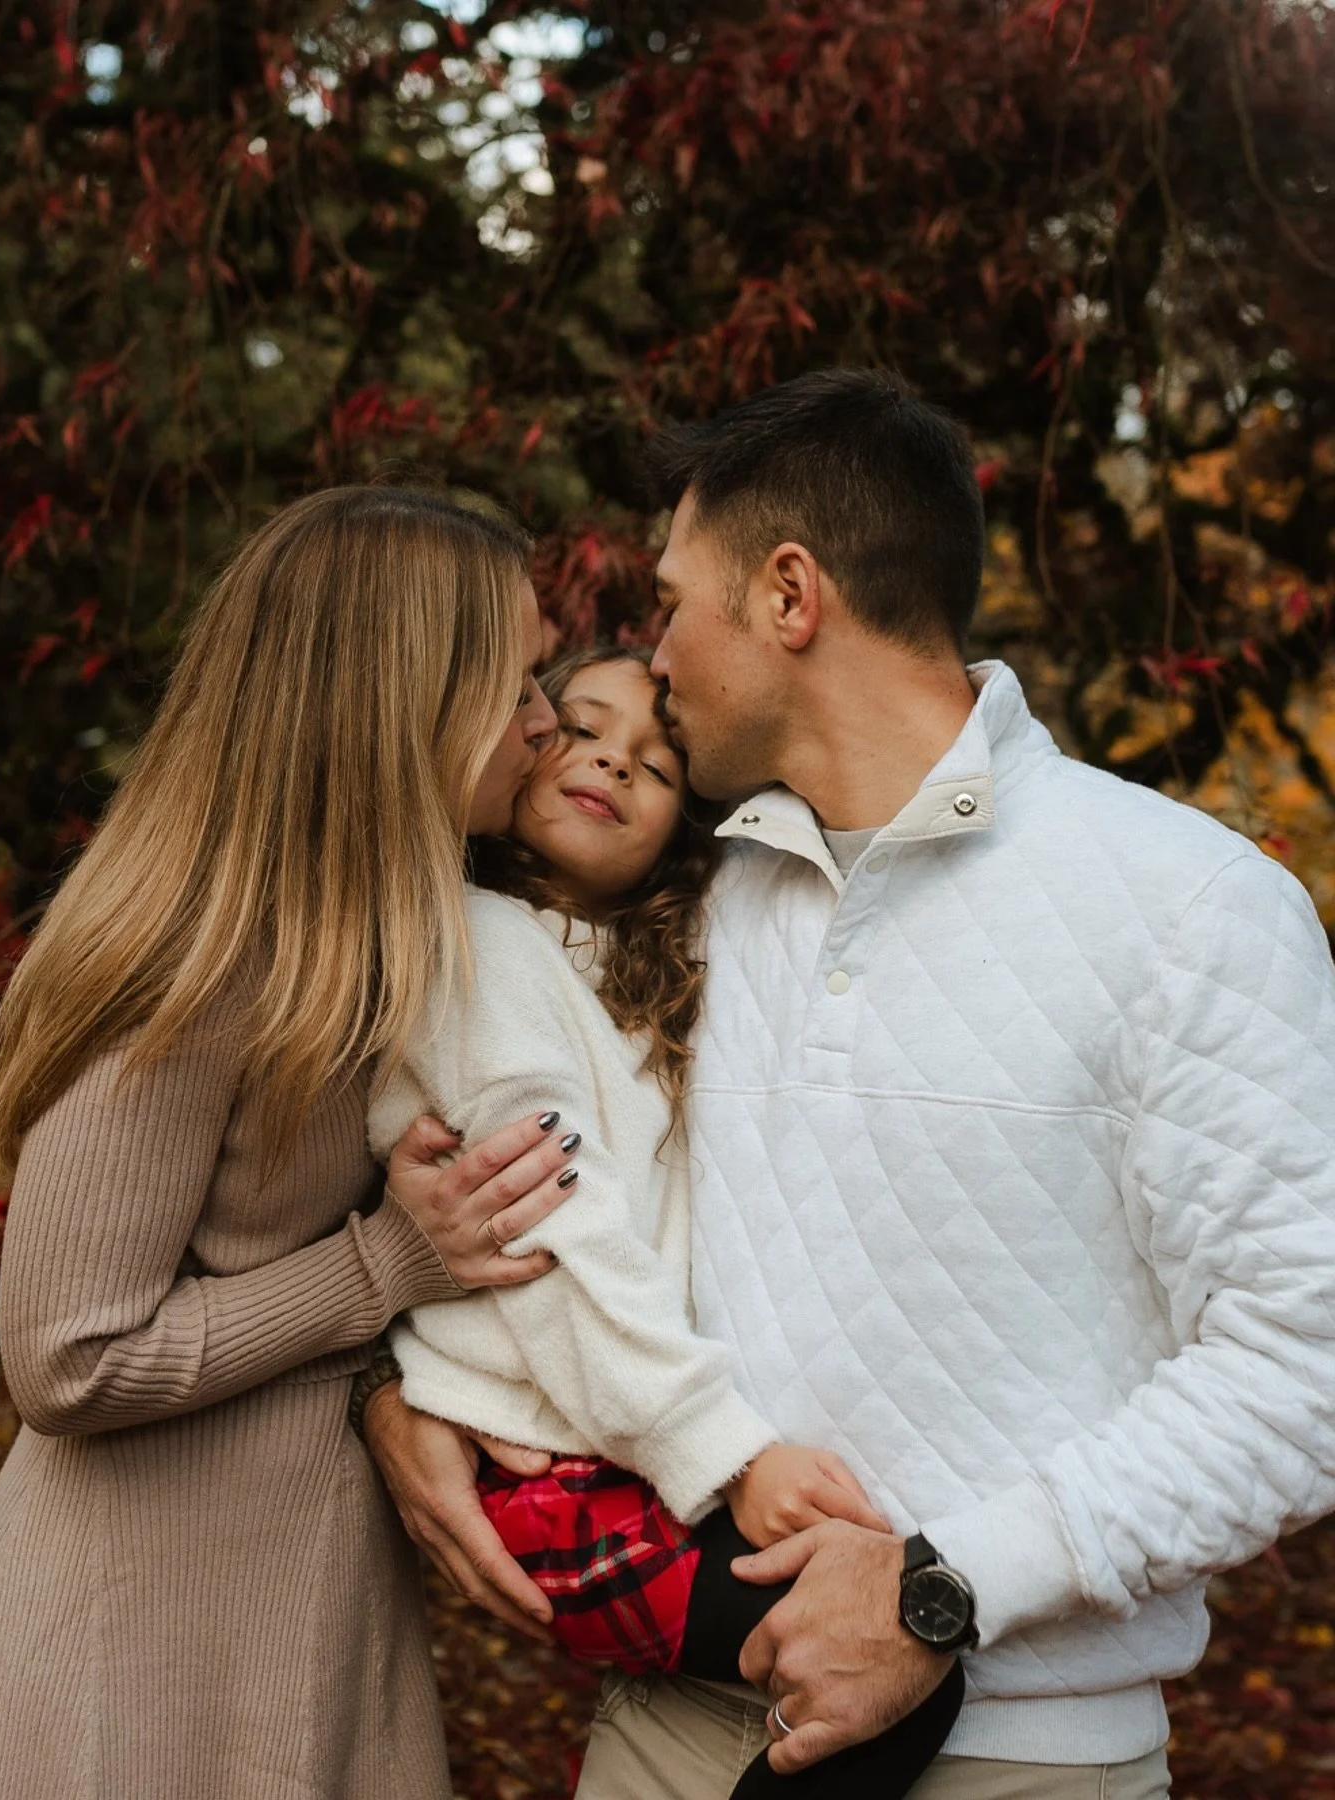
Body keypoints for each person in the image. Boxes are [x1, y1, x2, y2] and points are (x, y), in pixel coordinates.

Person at [365, 372, 1335, 1800]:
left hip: (1019, 1757)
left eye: (676, 600)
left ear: (789, 596)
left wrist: (942, 1591)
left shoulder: (1186, 906)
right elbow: (549, 1193)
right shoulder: (689, 905)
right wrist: (412, 1390)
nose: (658, 655)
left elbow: (1301, 1368)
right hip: (666, 1729)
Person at [0, 487, 581, 1800]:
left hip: (309, 1598)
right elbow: (63, 1358)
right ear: (402, 702)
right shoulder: (199, 964)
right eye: (517, 682)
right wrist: (389, 1263)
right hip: (141, 1637)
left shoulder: (398, 944)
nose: (548, 721)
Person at [365, 644, 965, 1800]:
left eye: (654, 763)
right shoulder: (475, 950)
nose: (611, 762)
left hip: (599, 1438)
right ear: (514, 757)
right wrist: (725, 1450)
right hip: (552, 1470)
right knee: (894, 1657)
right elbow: (556, 1235)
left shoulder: (623, 972)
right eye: (577, 729)